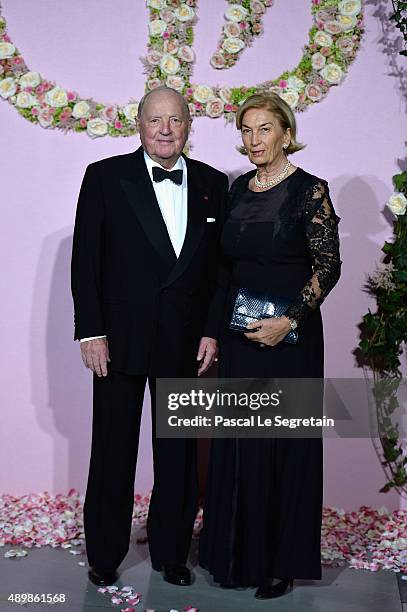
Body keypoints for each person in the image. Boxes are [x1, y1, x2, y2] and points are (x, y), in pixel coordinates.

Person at [71, 86, 228, 588]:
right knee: (113, 450)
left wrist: (211, 331)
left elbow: (220, 270)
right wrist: (91, 331)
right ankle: (104, 553)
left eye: (175, 120)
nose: (165, 129)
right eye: (155, 120)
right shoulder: (104, 177)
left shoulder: (211, 183)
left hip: (185, 342)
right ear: (138, 125)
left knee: (178, 455)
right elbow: (85, 262)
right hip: (117, 341)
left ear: (188, 126)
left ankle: (172, 553)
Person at [199, 92, 341, 599]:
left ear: (285, 132)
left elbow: (329, 266)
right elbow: (224, 269)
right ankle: (235, 554)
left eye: (263, 130)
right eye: (246, 131)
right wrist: (214, 330)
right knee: (241, 445)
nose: (253, 140)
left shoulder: (311, 191)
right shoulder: (237, 191)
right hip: (241, 337)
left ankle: (279, 562)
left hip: (290, 339)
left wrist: (290, 319)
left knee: (284, 447)